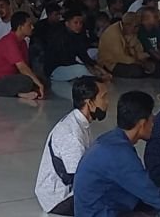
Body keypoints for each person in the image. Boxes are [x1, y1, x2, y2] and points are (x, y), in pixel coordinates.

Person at [35, 77, 109, 216]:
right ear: (90, 103)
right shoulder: (71, 134)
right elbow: (81, 180)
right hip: (58, 199)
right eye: (104, 97)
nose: (107, 102)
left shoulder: (80, 123)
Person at [0, 11, 45, 99]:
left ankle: (25, 91)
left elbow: (25, 66)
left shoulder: (22, 42)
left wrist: (38, 81)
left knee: (43, 79)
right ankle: (19, 93)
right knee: (28, 81)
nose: (32, 27)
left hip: (11, 77)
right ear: (20, 27)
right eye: (29, 25)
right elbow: (22, 67)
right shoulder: (9, 41)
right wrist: (38, 84)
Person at [43, 9, 106, 82]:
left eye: (81, 23)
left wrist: (102, 70)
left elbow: (84, 56)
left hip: (68, 66)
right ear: (67, 24)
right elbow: (66, 61)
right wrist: (94, 72)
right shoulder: (59, 38)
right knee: (81, 69)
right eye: (75, 23)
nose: (79, 25)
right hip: (55, 70)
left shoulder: (77, 35)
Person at [97, 12, 154, 78]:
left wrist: (144, 59)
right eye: (135, 27)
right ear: (127, 25)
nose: (137, 29)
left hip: (129, 59)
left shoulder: (130, 31)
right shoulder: (113, 34)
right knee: (137, 71)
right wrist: (141, 63)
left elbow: (137, 47)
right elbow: (121, 57)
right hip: (110, 63)